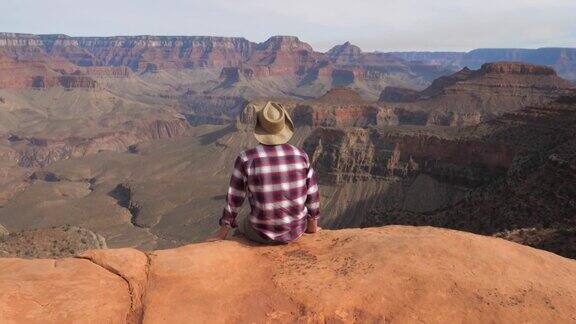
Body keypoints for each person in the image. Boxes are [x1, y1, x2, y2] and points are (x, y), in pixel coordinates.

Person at [206, 101, 320, 243]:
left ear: (260, 127)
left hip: (261, 233)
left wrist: (222, 233)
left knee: (241, 226)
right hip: (295, 231)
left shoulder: (246, 158)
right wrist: (312, 226)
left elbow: (234, 199)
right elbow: (312, 194)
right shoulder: (301, 155)